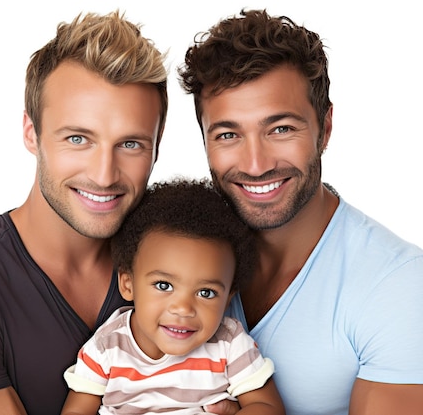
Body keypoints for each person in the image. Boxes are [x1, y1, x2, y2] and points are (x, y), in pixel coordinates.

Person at [178, 9, 423, 415]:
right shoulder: (173, 254)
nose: (256, 164)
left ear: (324, 128)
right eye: (228, 134)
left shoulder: (400, 286)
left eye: (281, 129)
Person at [0, 10, 168, 415]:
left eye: (130, 144)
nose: (104, 174)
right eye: (78, 138)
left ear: (157, 144)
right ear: (32, 132)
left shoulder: (185, 255)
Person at [60, 178, 285, 415]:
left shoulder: (229, 343)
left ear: (228, 298)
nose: (183, 308)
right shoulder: (106, 347)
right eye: (164, 285)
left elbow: (267, 407)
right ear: (128, 284)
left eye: (206, 293)